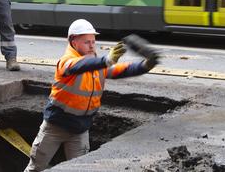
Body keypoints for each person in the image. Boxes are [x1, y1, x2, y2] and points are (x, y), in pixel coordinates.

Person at [24, 19, 161, 171]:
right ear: (73, 42)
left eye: (93, 42)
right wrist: (106, 60)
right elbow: (79, 66)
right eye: (86, 42)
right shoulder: (66, 62)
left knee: (80, 169)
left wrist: (145, 65)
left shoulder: (97, 64)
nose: (91, 46)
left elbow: (121, 70)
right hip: (55, 127)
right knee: (35, 168)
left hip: (80, 130)